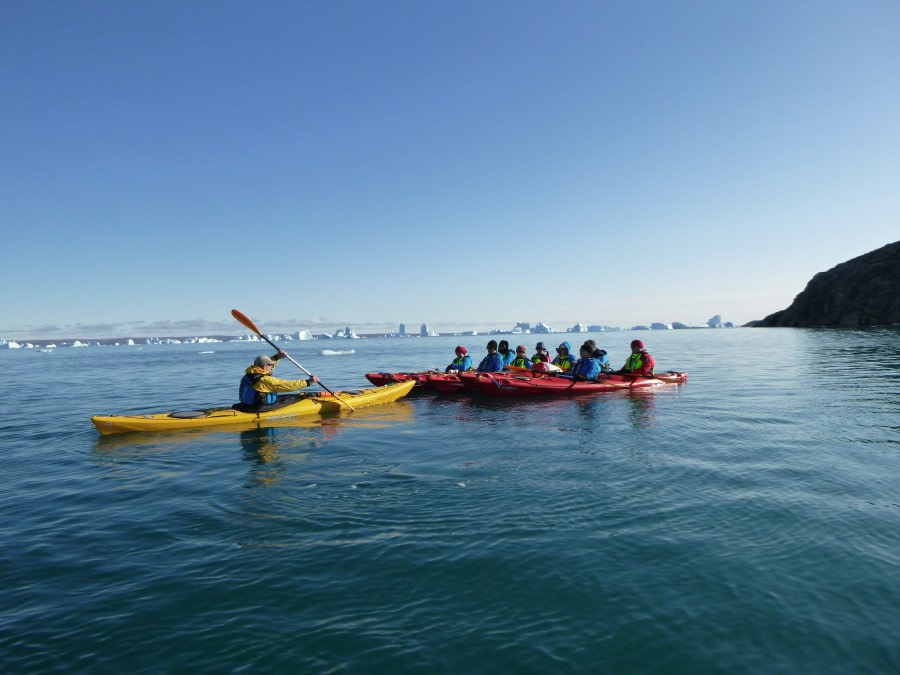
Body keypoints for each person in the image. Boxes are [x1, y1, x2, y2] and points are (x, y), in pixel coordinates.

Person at [238, 352, 320, 409]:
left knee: (289, 397)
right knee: (294, 398)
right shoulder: (265, 380)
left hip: (247, 404)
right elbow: (288, 385)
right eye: (270, 365)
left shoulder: (250, 374)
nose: (272, 366)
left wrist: (278, 356)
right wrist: (308, 382)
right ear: (264, 367)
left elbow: (267, 365)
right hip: (260, 407)